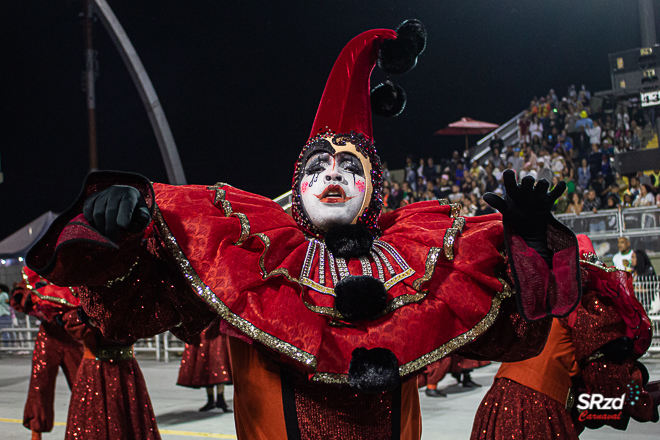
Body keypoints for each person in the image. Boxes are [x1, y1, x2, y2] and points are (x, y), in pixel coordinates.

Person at [27, 21, 580, 439]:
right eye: (319, 167)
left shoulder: (420, 253)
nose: (333, 175)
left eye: (349, 168)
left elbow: (521, 330)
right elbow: (127, 310)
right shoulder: (243, 252)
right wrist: (124, 229)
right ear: (298, 183)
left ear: (375, 189)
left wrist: (530, 242)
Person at [471, 235, 659, 440]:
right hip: (538, 407)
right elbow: (606, 380)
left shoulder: (539, 302)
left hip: (497, 401)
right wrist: (642, 401)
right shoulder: (584, 308)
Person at [10, 267, 83, 440]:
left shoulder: (78, 269)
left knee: (83, 386)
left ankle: (85, 430)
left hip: (74, 338)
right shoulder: (42, 269)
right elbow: (22, 297)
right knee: (40, 385)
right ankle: (36, 433)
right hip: (48, 336)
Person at [177, 317, 233, 412]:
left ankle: (219, 398)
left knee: (218, 363)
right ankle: (212, 400)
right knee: (205, 363)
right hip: (203, 330)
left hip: (216, 329)